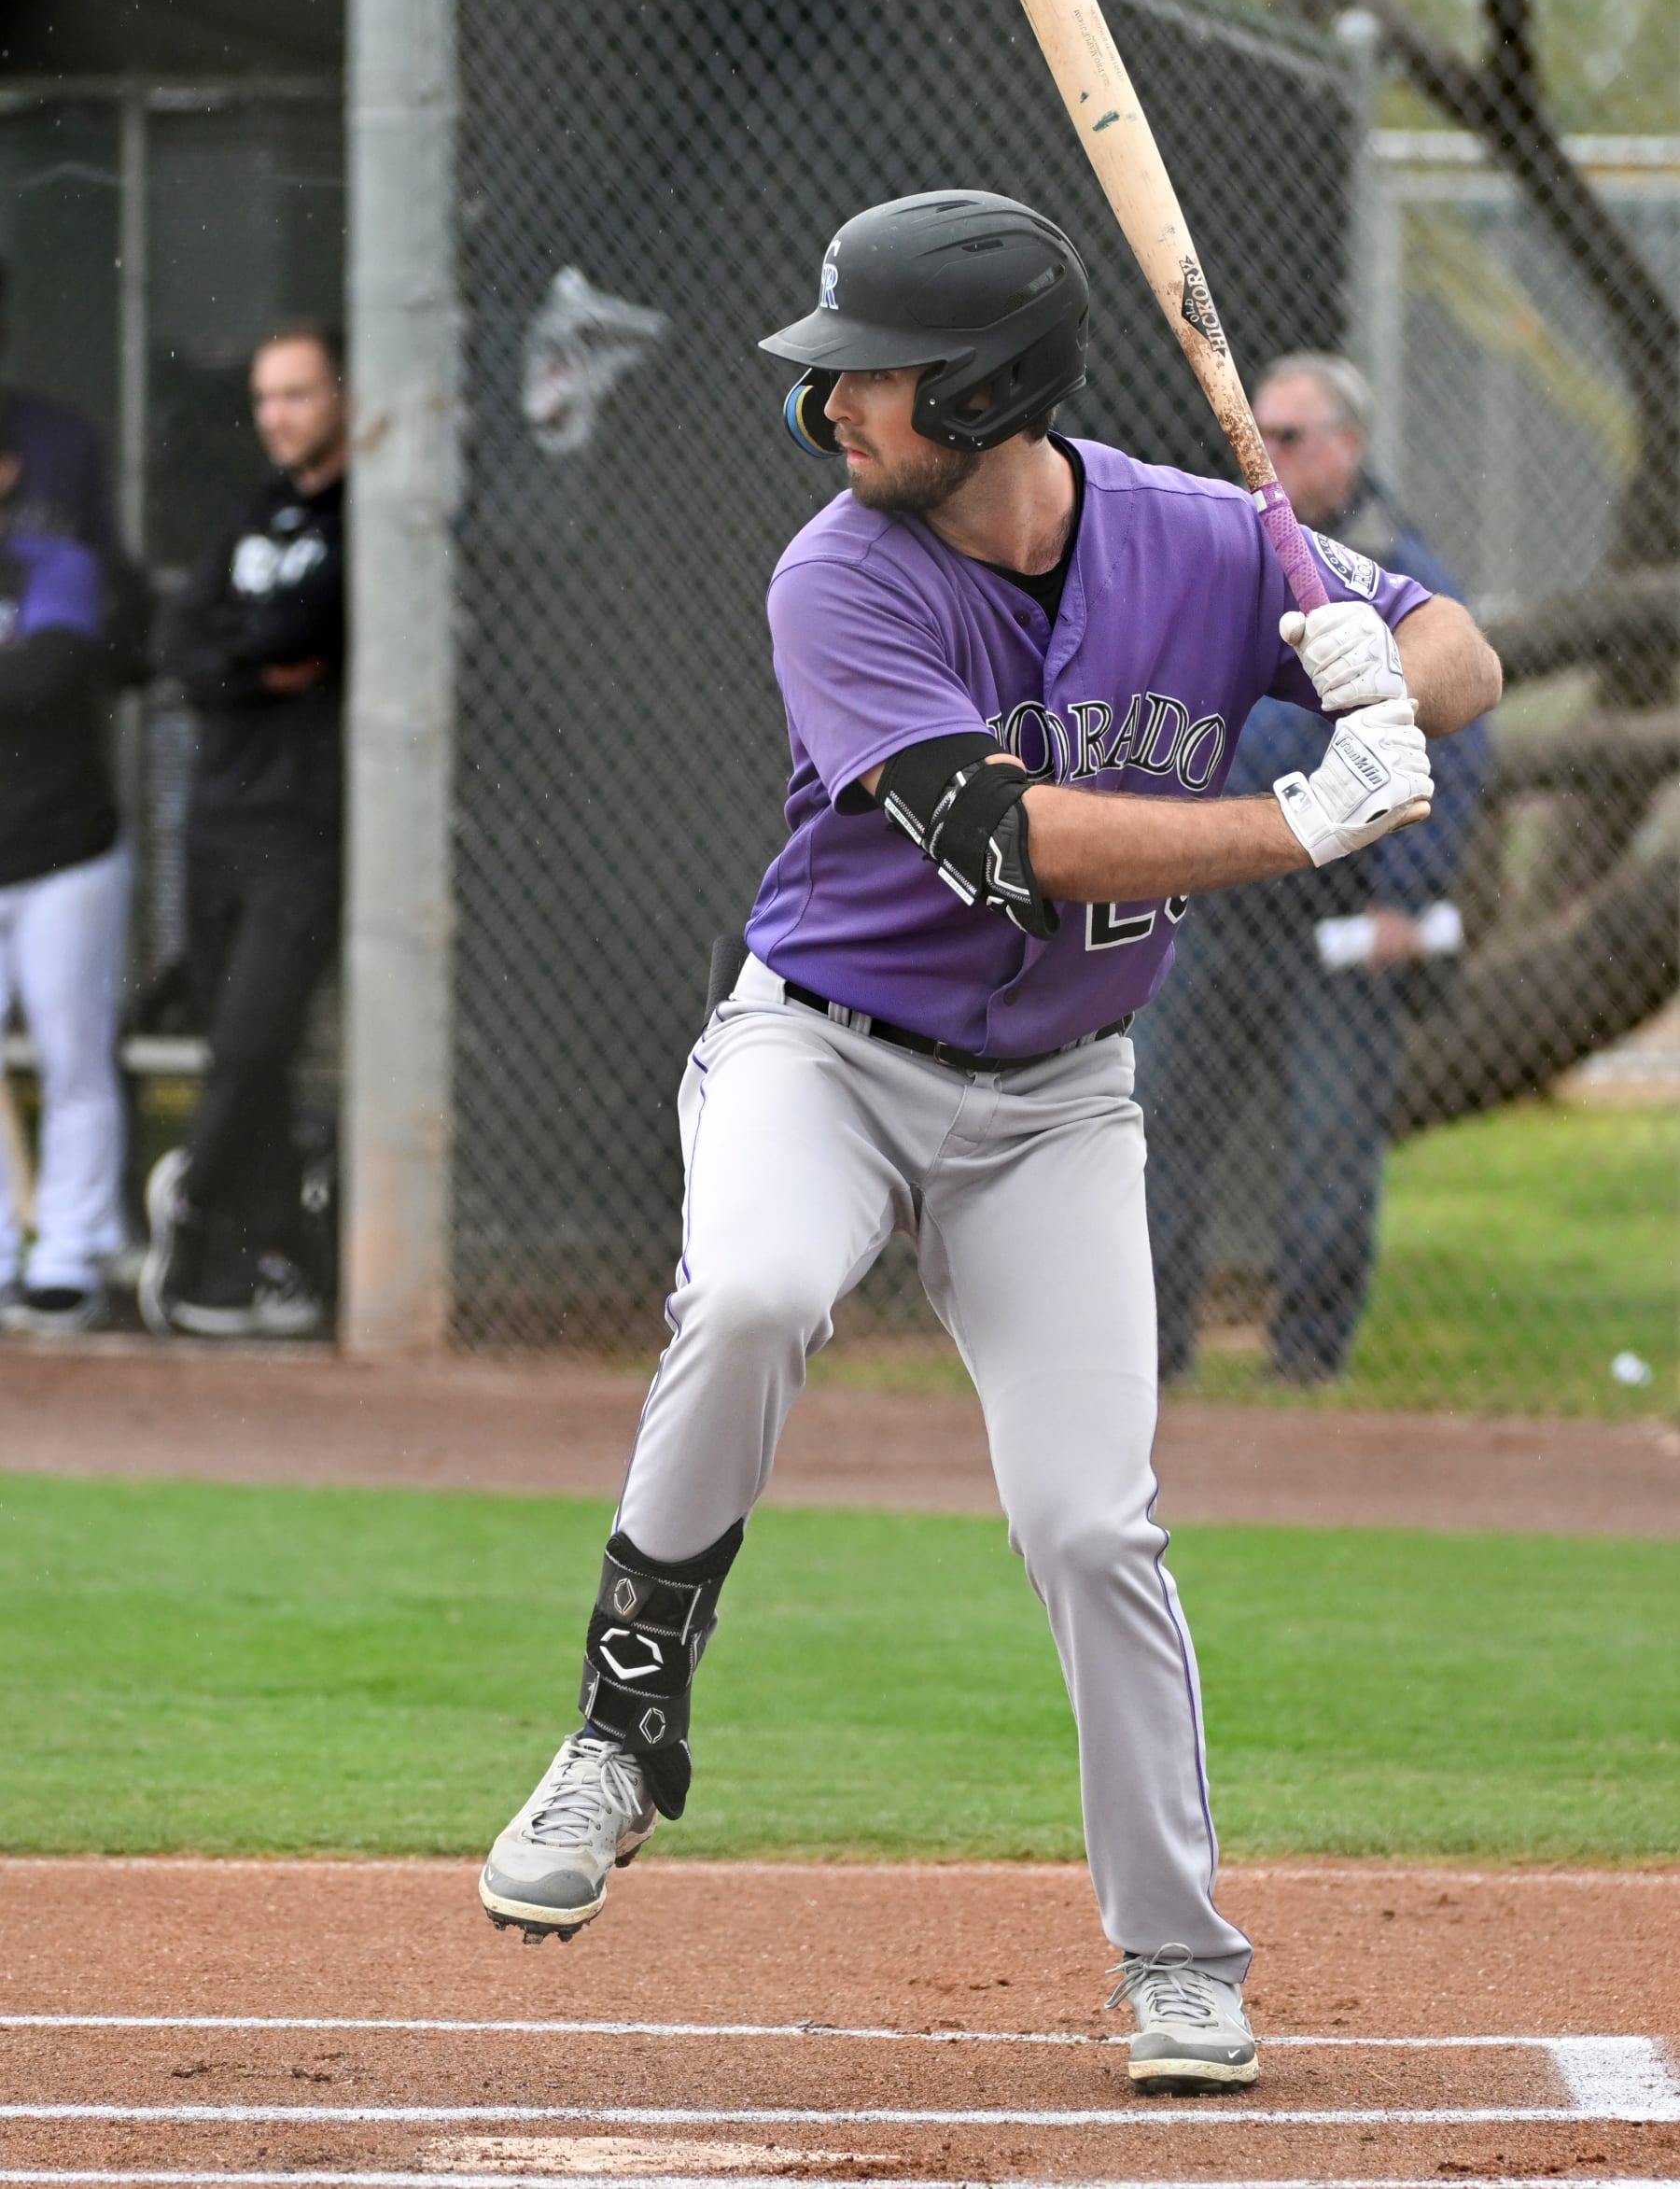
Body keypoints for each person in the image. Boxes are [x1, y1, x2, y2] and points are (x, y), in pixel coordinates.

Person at [475, 194, 1500, 2093]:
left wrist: (1385, 681)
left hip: (1058, 1107)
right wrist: (1306, 817)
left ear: (991, 387)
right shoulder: (839, 575)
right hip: (827, 1055)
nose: (836, 400)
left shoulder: (1207, 543)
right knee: (762, 1284)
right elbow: (1008, 842)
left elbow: (1461, 652)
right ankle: (624, 1734)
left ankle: (1182, 1956)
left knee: (1092, 1519)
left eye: (875, 369)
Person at [1134, 354, 1491, 1385]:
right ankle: (1152, 1358)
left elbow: (1456, 748)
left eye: (1292, 438)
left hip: (1339, 925)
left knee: (1332, 1150)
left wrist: (1406, 899)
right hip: (1214, 906)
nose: (1271, 457)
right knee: (1155, 1129)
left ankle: (1306, 1368)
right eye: (1261, 436)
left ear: (1348, 447)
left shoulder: (1399, 574)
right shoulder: (1226, 552)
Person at [140, 325, 346, 1339]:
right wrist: (254, 671)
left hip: (303, 828)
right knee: (237, 1050)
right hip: (215, 820)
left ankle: (189, 1205)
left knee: (254, 1042)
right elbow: (179, 643)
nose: (277, 416)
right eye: (266, 398)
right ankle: (276, 1259)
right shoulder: (252, 511)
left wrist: (248, 660)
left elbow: (308, 625)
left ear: (343, 397)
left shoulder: (363, 517)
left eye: (298, 395)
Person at [0, 262, 144, 1330]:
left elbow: (49, 675)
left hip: (65, 849)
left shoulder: (52, 560)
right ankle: (6, 1242)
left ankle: (75, 1248)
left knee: (71, 1053)